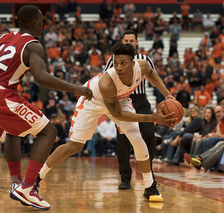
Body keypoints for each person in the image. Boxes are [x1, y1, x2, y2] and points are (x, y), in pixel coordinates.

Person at [0, 5, 92, 210]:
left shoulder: (2, 37)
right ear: (35, 22)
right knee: (49, 131)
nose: (44, 24)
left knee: (12, 131)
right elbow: (41, 77)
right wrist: (74, 88)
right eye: (42, 20)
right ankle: (28, 187)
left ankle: (16, 182)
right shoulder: (33, 45)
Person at [39, 42, 177, 202]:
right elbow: (119, 114)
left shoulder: (142, 66)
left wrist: (168, 95)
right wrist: (153, 118)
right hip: (93, 99)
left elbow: (152, 75)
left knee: (137, 139)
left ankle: (149, 186)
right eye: (116, 63)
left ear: (133, 64)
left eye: (123, 63)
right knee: (75, 146)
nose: (118, 67)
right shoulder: (107, 83)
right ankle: (38, 176)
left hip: (120, 98)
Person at [103, 30, 158, 191]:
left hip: (140, 99)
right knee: (123, 141)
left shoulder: (144, 60)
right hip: (121, 101)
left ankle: (149, 174)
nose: (128, 43)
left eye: (131, 40)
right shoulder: (113, 60)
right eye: (126, 40)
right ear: (122, 41)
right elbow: (104, 79)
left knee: (149, 134)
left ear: (136, 43)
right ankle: (125, 178)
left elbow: (153, 77)